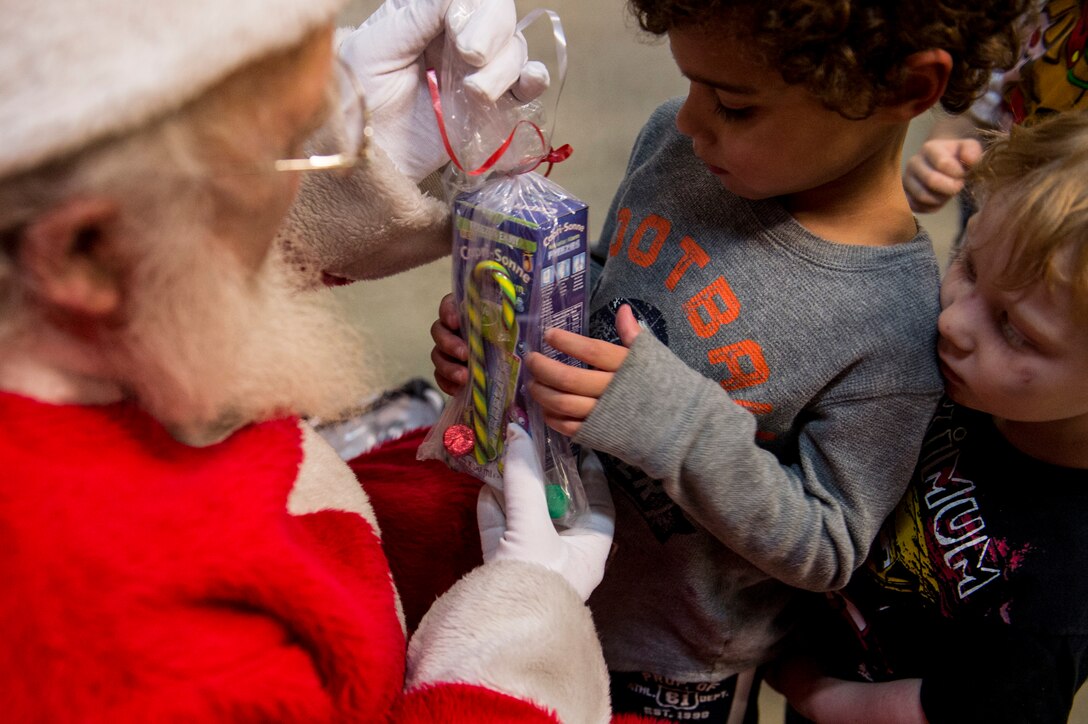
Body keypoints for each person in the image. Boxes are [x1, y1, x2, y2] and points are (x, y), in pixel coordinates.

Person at [0, 0, 618, 721]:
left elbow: (162, 255)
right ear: (83, 252)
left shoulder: (70, 320)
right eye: (297, 148)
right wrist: (517, 654)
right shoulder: (102, 620)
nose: (302, 179)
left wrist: (355, 158)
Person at [429, 0, 1029, 719]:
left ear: (904, 89)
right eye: (691, 84)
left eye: (735, 106)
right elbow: (606, 273)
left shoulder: (894, 329)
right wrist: (514, 334)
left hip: (668, 673)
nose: (689, 120)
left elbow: (827, 542)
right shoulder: (679, 150)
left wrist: (674, 424)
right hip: (514, 574)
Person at [770, 109, 1088, 724]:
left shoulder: (1065, 587)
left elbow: (947, 710)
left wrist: (809, 689)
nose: (952, 323)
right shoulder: (970, 375)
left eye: (1014, 331)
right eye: (967, 265)